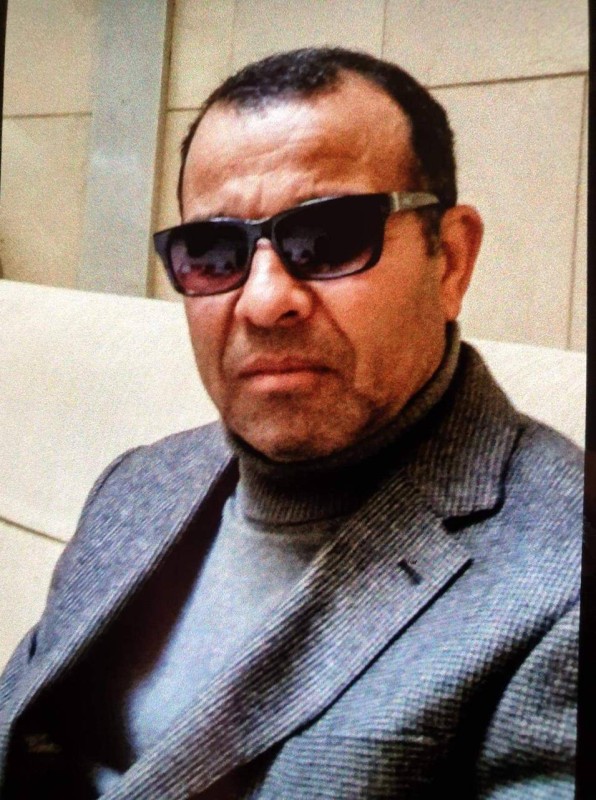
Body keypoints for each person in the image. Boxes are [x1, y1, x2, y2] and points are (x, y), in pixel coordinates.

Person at [0, 47, 581, 799]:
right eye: (214, 251)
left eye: (330, 238)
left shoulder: (563, 578)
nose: (264, 300)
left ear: (450, 261)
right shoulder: (136, 483)